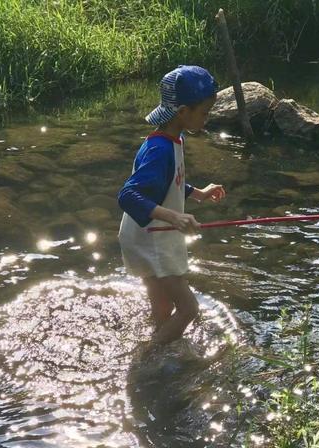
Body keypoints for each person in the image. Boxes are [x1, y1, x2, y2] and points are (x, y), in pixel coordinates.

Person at [117, 65, 226, 345]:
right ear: (182, 112)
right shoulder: (159, 149)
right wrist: (174, 218)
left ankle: (161, 337)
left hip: (142, 234)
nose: (207, 117)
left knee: (162, 305)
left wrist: (197, 193)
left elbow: (165, 184)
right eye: (204, 111)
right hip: (151, 237)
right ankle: (150, 355)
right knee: (189, 308)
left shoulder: (171, 138)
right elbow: (127, 196)